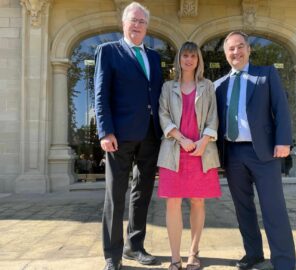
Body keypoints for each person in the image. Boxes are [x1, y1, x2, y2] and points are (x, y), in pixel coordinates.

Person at [214, 31, 296, 270]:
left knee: (273, 207)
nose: (236, 52)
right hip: (233, 154)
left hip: (265, 153)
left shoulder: (266, 74)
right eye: (231, 49)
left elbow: (281, 109)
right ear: (226, 54)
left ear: (249, 50)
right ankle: (253, 253)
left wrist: (283, 142)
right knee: (243, 208)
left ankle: (283, 261)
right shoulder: (219, 85)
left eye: (240, 47)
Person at [94, 2, 163, 270]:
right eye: (132, 20)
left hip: (150, 134)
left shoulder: (155, 57)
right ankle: (112, 255)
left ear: (147, 26)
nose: (137, 25)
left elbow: (155, 94)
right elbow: (101, 94)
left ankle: (135, 246)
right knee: (115, 194)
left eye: (142, 22)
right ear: (124, 23)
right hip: (118, 135)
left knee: (142, 192)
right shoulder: (108, 51)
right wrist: (105, 130)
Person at [157, 41, 221, 270]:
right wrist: (181, 138)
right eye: (185, 55)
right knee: (173, 203)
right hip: (174, 151)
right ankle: (175, 258)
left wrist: (203, 142)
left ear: (198, 60)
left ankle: (194, 253)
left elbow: (214, 117)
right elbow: (163, 115)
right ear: (179, 59)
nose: (189, 59)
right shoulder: (167, 87)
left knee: (198, 201)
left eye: (193, 56)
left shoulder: (208, 86)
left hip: (201, 152)